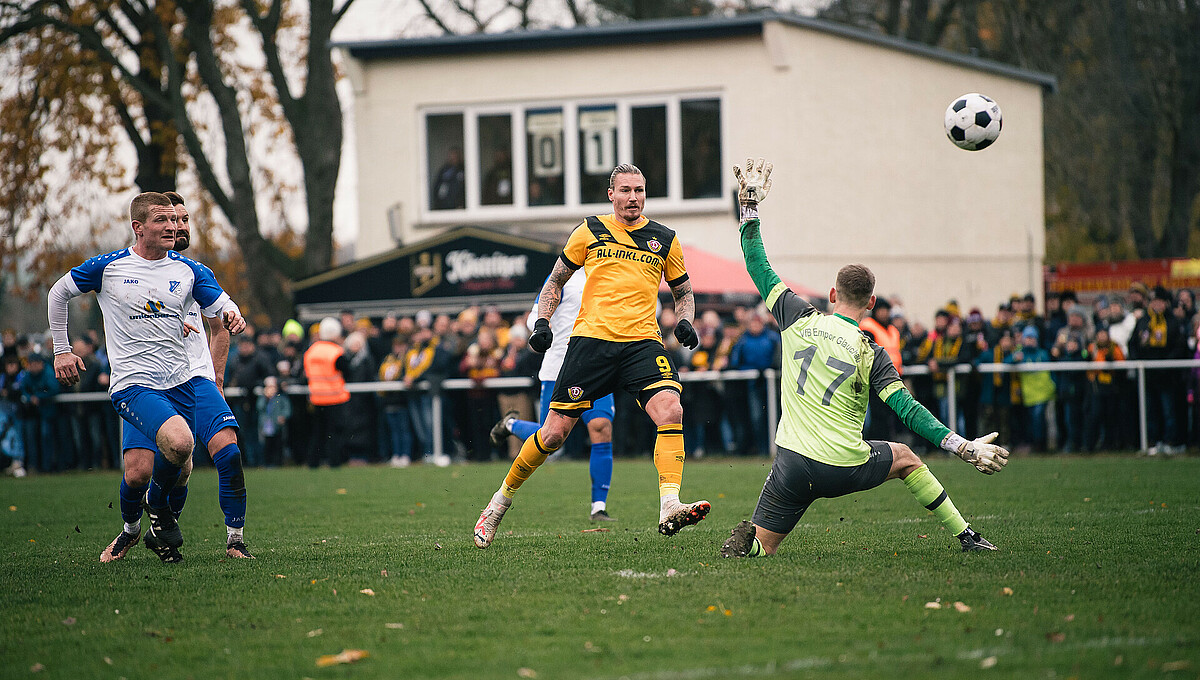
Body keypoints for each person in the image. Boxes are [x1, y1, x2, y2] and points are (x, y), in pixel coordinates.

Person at [719, 159, 1008, 559]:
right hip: (842, 466)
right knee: (905, 457)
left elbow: (757, 263)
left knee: (761, 547)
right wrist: (963, 447)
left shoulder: (797, 316)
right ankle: (967, 537)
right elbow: (907, 409)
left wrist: (749, 206)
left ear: (832, 295)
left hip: (790, 464)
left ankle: (750, 545)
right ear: (871, 303)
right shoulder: (872, 352)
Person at [473, 163, 708, 549]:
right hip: (591, 344)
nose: (633, 197)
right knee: (553, 434)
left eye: (640, 190)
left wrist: (685, 322)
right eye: (626, 190)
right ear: (611, 195)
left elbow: (683, 293)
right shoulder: (589, 231)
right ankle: (497, 504)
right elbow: (555, 281)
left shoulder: (665, 239)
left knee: (671, 410)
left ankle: (669, 504)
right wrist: (542, 323)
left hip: (642, 344)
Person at [48, 191, 246, 564]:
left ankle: (149, 529)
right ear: (138, 227)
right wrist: (61, 349)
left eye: (176, 221)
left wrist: (234, 314)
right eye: (164, 221)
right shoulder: (109, 267)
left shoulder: (188, 271)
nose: (173, 227)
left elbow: (221, 305)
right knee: (163, 456)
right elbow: (58, 293)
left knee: (176, 463)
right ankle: (145, 521)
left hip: (182, 383)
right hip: (134, 384)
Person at [101, 190, 254, 561]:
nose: (179, 226)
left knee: (227, 454)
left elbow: (221, 328)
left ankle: (234, 540)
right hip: (146, 383)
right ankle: (132, 530)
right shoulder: (125, 272)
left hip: (194, 379)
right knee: (139, 473)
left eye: (184, 220)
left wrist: (216, 379)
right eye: (172, 220)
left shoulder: (194, 273)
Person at [488, 268, 619, 521]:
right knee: (551, 438)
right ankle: (510, 424)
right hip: (560, 366)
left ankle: (598, 507)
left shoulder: (610, 270)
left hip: (598, 366)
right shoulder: (562, 274)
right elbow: (532, 319)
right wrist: (544, 326)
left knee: (602, 426)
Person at [303, 318, 352, 468]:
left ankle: (313, 462)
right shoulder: (336, 351)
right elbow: (347, 370)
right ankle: (334, 462)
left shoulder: (311, 351)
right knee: (334, 433)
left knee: (317, 433)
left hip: (316, 398)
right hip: (335, 398)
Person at [0, 353, 27, 477]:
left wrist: (8, 392)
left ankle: (19, 463)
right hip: (5, 415)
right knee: (6, 438)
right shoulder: (3, 378)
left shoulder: (21, 377)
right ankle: (9, 464)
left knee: (19, 438)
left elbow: (19, 390)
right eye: (8, 365)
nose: (11, 367)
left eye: (13, 364)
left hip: (18, 414)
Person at [257, 375, 291, 467]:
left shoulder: (281, 398)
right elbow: (260, 407)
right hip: (266, 426)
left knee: (278, 445)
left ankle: (277, 463)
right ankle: (267, 463)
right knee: (266, 445)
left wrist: (283, 416)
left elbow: (287, 409)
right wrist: (265, 398)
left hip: (277, 426)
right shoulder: (263, 398)